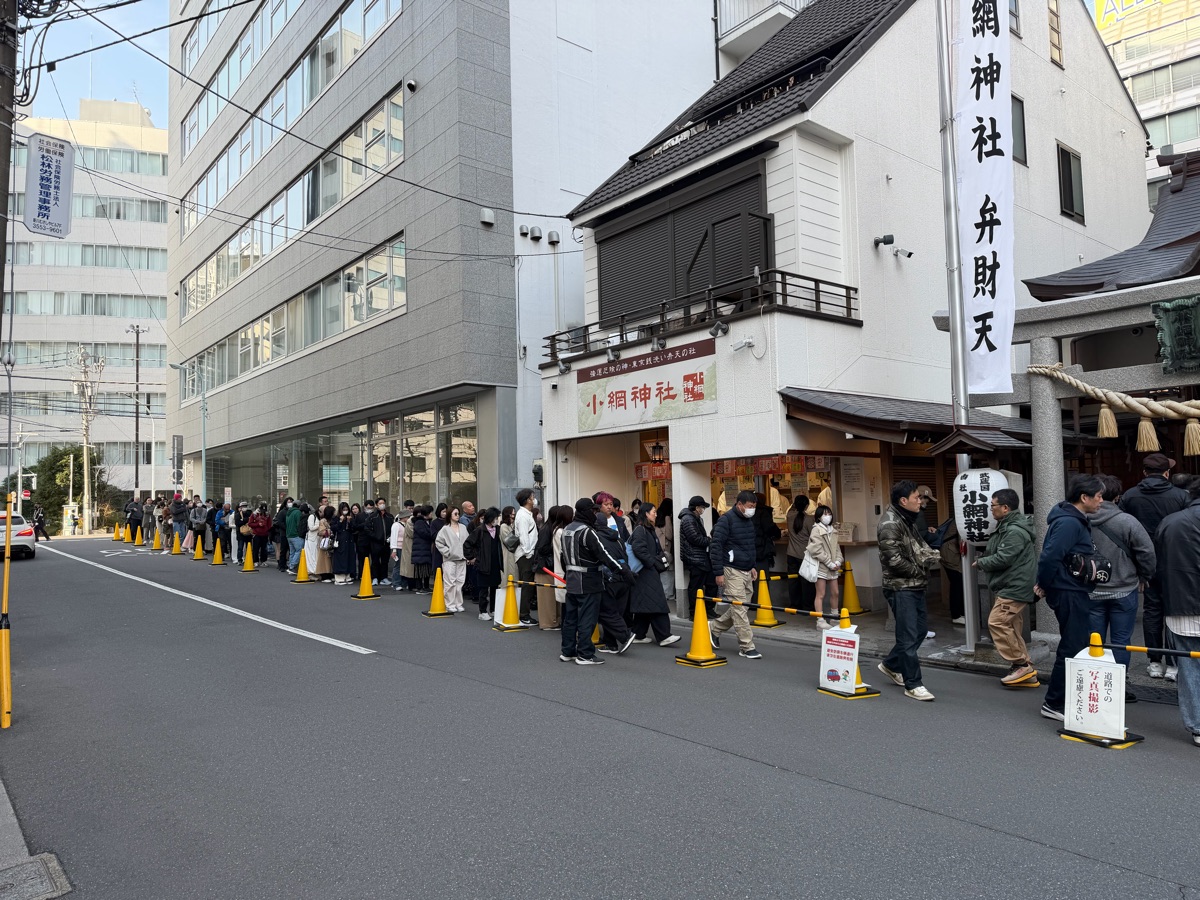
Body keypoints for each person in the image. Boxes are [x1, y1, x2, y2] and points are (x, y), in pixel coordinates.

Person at [1035, 474, 1106, 722]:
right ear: (1084, 497)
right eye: (1098, 496)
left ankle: (1064, 698)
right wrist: (1043, 584)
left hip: (1071, 589)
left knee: (1075, 644)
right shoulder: (1069, 522)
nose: (1101, 501)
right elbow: (1049, 556)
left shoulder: (1072, 519)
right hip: (1068, 590)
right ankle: (1054, 702)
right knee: (1072, 646)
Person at [1119, 452, 1190, 681]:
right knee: (1173, 611)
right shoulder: (1180, 496)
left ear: (1144, 473)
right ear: (1167, 473)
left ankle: (1154, 662)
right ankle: (1173, 663)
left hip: (1144, 562)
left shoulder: (1130, 496)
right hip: (1175, 562)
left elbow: (1123, 530)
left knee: (1152, 610)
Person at [1088, 474, 1156, 699]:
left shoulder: (1081, 519)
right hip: (1124, 587)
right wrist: (1145, 576)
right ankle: (1118, 686)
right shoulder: (1127, 521)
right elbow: (1147, 552)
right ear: (1117, 497)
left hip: (1091, 589)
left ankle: (1094, 684)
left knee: (1093, 639)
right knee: (1121, 640)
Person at [877, 481, 941, 701]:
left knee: (920, 631)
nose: (920, 501)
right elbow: (893, 559)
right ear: (903, 501)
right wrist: (920, 572)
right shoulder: (890, 523)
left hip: (914, 585)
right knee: (908, 635)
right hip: (900, 586)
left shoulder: (907, 519)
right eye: (916, 497)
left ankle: (890, 664)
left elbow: (918, 546)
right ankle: (913, 683)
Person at [974, 489, 1039, 687]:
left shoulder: (1013, 530)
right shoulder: (1009, 526)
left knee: (997, 622)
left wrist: (982, 562)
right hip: (1013, 584)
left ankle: (1020, 664)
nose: (990, 509)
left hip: (1014, 586)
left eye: (992, 505)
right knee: (1011, 627)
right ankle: (1027, 673)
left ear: (1005, 507)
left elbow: (1004, 558)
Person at [1154, 474, 1200, 747]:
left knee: (1189, 667)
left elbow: (1156, 567)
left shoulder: (1170, 523)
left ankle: (1197, 725)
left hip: (1179, 606)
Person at [560, 498, 631, 666]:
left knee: (570, 618)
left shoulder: (566, 530)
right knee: (587, 618)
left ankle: (568, 651)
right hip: (589, 581)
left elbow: (563, 557)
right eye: (592, 511)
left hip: (571, 580)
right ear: (586, 512)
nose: (595, 514)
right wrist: (623, 571)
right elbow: (604, 555)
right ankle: (585, 654)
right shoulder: (587, 532)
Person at [708, 490, 762, 659]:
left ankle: (715, 628)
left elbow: (749, 545)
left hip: (746, 569)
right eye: (750, 506)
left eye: (754, 507)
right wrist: (718, 572)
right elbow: (716, 546)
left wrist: (752, 565)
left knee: (741, 607)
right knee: (739, 608)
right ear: (739, 504)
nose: (752, 509)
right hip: (731, 569)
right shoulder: (726, 520)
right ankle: (747, 646)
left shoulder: (748, 520)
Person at [629, 503, 680, 646]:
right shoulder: (640, 530)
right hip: (645, 571)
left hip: (646, 571)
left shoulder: (648, 529)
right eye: (653, 512)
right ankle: (664, 636)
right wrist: (652, 562)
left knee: (645, 604)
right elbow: (638, 549)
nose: (656, 514)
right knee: (657, 602)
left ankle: (638, 634)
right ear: (646, 513)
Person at [592, 510, 637, 654]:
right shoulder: (617, 538)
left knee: (605, 611)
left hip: (610, 577)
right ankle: (610, 644)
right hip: (625, 577)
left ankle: (625, 635)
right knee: (616, 611)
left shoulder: (596, 538)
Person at [678, 496, 717, 617]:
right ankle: (695, 612)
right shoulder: (688, 519)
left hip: (701, 557)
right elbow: (694, 538)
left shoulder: (695, 518)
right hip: (694, 558)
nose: (703, 509)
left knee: (711, 583)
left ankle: (708, 609)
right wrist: (708, 541)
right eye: (702, 507)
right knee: (696, 586)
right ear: (696, 508)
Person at [806, 504, 842, 628]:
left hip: (832, 567)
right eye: (825, 514)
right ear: (819, 517)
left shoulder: (833, 530)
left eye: (829, 514)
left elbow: (837, 549)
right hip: (821, 566)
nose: (828, 516)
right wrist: (829, 562)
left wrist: (838, 561)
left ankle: (834, 617)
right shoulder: (816, 529)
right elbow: (815, 549)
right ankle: (820, 621)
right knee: (820, 594)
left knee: (835, 592)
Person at [465, 507, 503, 620]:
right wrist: (472, 557)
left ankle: (493, 609)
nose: (497, 520)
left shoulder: (498, 529)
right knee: (483, 588)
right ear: (490, 518)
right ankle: (482, 611)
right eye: (496, 518)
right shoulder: (480, 530)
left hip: (495, 564)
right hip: (483, 564)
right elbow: (467, 544)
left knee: (495, 587)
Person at [533, 505, 565, 630]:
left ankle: (554, 621)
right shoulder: (547, 530)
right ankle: (548, 623)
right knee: (547, 598)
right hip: (544, 567)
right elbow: (542, 548)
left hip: (548, 567)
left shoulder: (550, 528)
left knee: (553, 597)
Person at [785, 495, 816, 612]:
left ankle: (794, 605)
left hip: (791, 554)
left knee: (793, 581)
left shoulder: (789, 516)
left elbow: (792, 509)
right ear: (807, 506)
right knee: (807, 582)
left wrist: (795, 503)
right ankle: (807, 607)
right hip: (805, 555)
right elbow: (813, 536)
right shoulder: (809, 519)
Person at [434, 506, 468, 612]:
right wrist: (447, 552)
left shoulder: (463, 527)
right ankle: (450, 603)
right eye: (455, 514)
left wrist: (468, 554)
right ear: (450, 515)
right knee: (450, 582)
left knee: (460, 582)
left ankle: (458, 603)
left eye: (458, 513)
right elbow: (438, 542)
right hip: (450, 559)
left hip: (462, 558)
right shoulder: (445, 529)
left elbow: (467, 542)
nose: (458, 516)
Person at [514, 488, 540, 626]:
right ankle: (524, 615)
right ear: (527, 500)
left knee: (528, 585)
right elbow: (524, 537)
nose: (534, 499)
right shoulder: (523, 516)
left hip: (527, 554)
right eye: (532, 497)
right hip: (525, 555)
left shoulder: (526, 514)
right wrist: (529, 553)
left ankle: (525, 613)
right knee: (527, 585)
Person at [940, 517, 965, 625]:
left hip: (949, 553)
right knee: (957, 584)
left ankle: (960, 613)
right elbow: (961, 541)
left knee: (957, 584)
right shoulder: (962, 519)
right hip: (951, 555)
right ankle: (956, 615)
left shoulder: (959, 517)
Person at [366, 498, 394, 587]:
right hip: (375, 543)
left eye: (383, 503)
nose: (382, 504)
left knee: (385, 561)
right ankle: (375, 577)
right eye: (380, 503)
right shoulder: (372, 517)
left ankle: (384, 577)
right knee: (375, 561)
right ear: (376, 505)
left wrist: (389, 537)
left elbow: (392, 528)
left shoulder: (390, 516)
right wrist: (376, 537)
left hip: (386, 543)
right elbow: (367, 529)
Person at [752, 492, 781, 574]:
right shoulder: (764, 512)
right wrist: (778, 533)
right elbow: (770, 528)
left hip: (750, 550)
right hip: (761, 549)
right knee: (762, 576)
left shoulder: (748, 512)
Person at [655, 498, 676, 606]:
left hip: (658, 550)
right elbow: (669, 535)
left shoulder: (655, 516)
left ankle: (661, 594)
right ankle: (668, 595)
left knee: (661, 573)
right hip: (666, 549)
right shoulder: (667, 517)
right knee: (669, 572)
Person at [410, 505, 433, 593]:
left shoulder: (429, 522)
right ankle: (419, 587)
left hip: (425, 549)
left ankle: (426, 586)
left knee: (426, 568)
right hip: (420, 548)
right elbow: (423, 533)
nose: (431, 514)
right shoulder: (419, 522)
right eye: (430, 512)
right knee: (420, 569)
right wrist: (432, 534)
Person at [389, 506, 410, 591]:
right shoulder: (396, 525)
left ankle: (403, 583)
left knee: (404, 566)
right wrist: (394, 550)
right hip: (397, 548)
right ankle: (396, 583)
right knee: (398, 566)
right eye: (408, 517)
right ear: (404, 517)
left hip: (404, 548)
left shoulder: (406, 525)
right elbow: (393, 538)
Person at [249, 503, 272, 568]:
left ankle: (263, 561)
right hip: (257, 534)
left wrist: (267, 529)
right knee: (256, 548)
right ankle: (255, 561)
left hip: (265, 534)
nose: (263, 511)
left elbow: (269, 524)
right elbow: (250, 523)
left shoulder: (267, 515)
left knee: (264, 549)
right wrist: (258, 524)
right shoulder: (254, 514)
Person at [285, 497, 305, 574]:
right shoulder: (297, 512)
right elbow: (298, 524)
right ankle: (292, 567)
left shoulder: (288, 512)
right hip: (296, 535)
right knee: (299, 551)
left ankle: (290, 566)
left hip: (289, 535)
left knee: (292, 552)